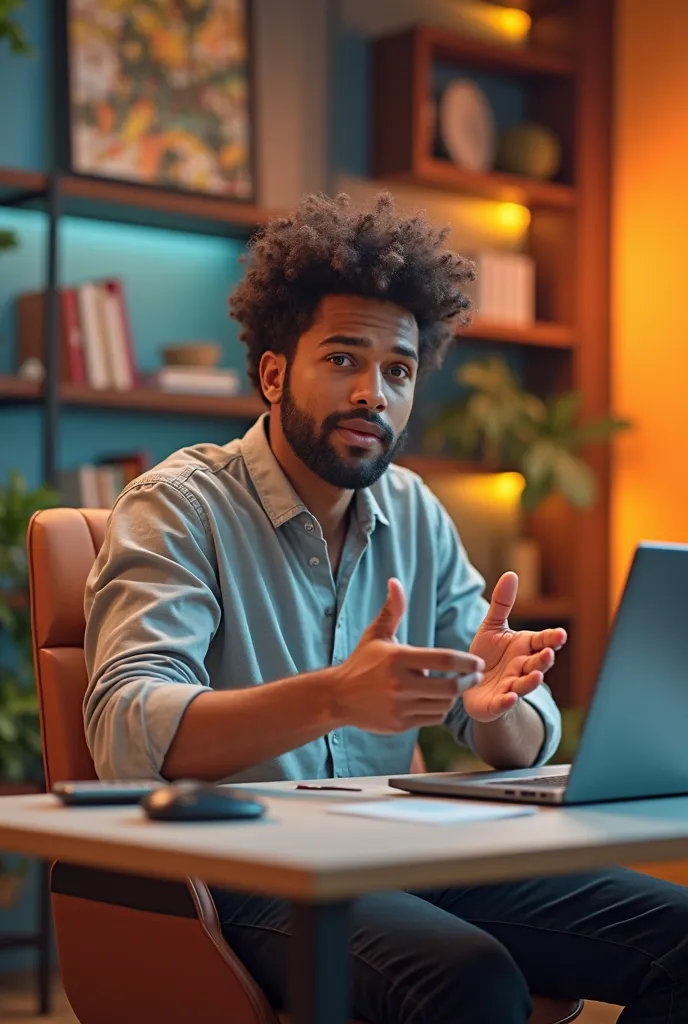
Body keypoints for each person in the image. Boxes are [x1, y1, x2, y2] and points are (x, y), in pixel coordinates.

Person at [84, 193, 688, 1024]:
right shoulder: (177, 506)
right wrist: (333, 696)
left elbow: (521, 732)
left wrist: (497, 708)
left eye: (398, 371)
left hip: (399, 851)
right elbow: (125, 731)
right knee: (467, 979)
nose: (374, 393)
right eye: (343, 359)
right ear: (273, 373)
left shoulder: (415, 511)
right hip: (238, 864)